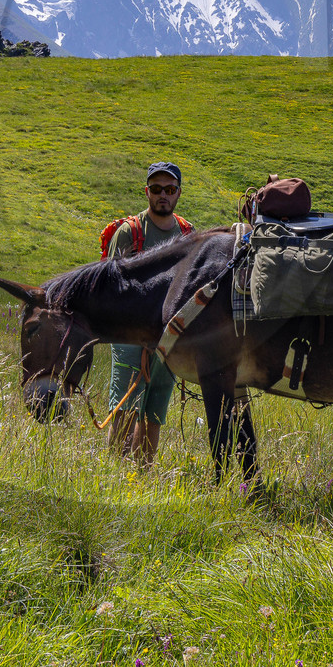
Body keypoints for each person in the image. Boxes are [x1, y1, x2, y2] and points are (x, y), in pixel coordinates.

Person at [102, 161, 193, 469]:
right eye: (156, 189)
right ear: (147, 192)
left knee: (155, 408)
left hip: (169, 335)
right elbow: (110, 288)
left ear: (178, 193)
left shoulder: (187, 234)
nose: (162, 195)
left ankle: (142, 474)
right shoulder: (130, 232)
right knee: (126, 405)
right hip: (129, 333)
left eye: (169, 189)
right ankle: (116, 473)